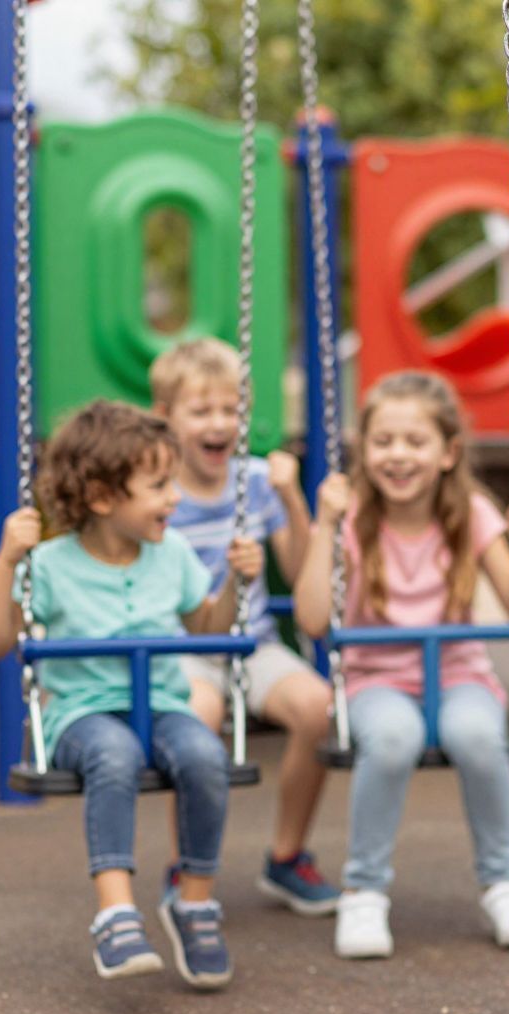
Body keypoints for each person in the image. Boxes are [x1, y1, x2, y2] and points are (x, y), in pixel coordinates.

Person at [0, 400, 262, 989]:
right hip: (84, 715)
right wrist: (8, 561)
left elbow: (208, 628)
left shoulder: (172, 554)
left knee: (206, 755)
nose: (175, 498)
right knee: (115, 756)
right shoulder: (50, 565)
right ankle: (115, 913)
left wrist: (238, 580)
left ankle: (194, 902)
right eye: (159, 485)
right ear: (104, 498)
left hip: (161, 704)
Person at [294, 371, 509, 959]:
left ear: (448, 452)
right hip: (377, 678)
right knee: (394, 739)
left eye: (414, 441)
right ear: (364, 450)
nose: (397, 455)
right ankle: (364, 890)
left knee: (478, 736)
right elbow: (310, 619)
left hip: (459, 673)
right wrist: (325, 525)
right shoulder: (352, 518)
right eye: (383, 442)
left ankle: (503, 882)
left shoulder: (473, 514)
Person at [150, 339, 340, 915]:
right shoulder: (155, 488)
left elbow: (301, 567)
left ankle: (286, 857)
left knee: (319, 707)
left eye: (231, 411)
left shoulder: (256, 481)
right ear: (165, 420)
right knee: (197, 716)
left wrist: (290, 493)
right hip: (180, 648)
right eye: (201, 411)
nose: (219, 424)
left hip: (251, 643)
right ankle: (188, 865)